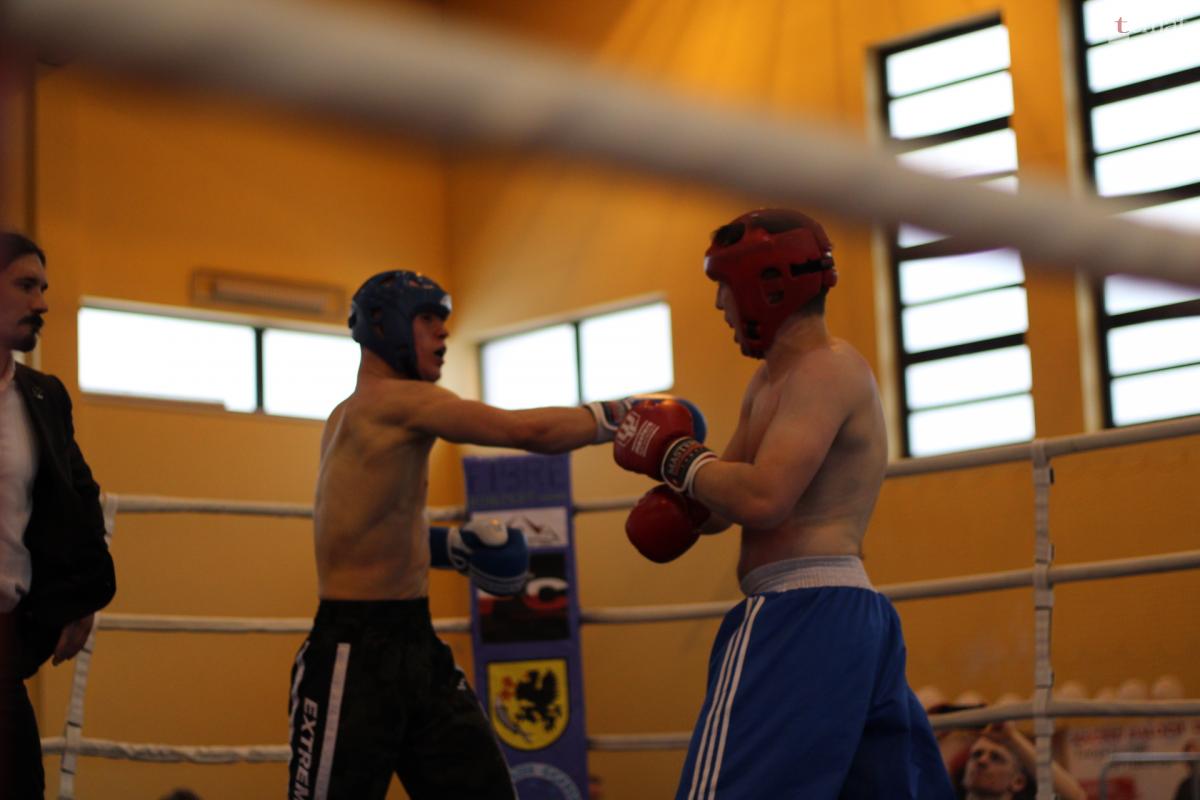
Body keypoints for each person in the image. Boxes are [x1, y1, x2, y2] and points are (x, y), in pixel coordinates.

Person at [287, 270, 671, 800]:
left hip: (416, 643)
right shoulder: (399, 402)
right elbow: (526, 431)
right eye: (428, 319)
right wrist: (622, 416)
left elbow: (366, 526)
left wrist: (453, 548)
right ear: (383, 322)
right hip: (354, 651)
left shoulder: (350, 415)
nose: (443, 332)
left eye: (443, 321)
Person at [611, 209, 955, 798]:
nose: (719, 304)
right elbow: (724, 504)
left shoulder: (825, 370)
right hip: (842, 617)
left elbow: (765, 498)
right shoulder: (772, 380)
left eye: (724, 286)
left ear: (762, 286)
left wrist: (674, 456)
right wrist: (681, 496)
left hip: (801, 609)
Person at [0, 231, 116, 798]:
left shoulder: (42, 396)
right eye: (26, 286)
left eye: (43, 288)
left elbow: (78, 496)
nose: (42, 303)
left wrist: (82, 594)